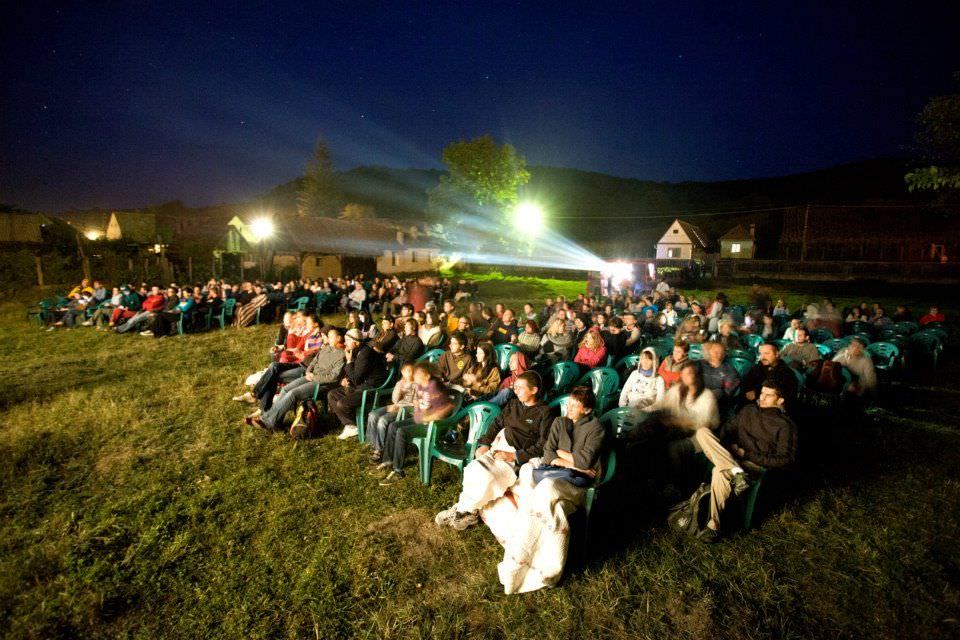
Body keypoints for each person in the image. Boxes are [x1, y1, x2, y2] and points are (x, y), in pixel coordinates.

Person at [483, 386, 606, 594]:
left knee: (545, 489)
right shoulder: (560, 422)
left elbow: (585, 461)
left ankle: (531, 565)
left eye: (575, 406)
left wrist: (569, 461)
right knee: (541, 491)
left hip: (578, 482)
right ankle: (529, 561)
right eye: (569, 403)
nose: (569, 408)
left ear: (586, 409)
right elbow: (548, 454)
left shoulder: (596, 428)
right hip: (561, 473)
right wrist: (572, 462)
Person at [433, 371, 552, 530]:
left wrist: (514, 456)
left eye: (520, 388)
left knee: (488, 479)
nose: (515, 391)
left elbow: (544, 444)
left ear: (534, 390)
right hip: (499, 448)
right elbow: (496, 424)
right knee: (474, 470)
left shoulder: (545, 412)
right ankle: (466, 512)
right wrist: (485, 444)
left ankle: (461, 510)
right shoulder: (513, 405)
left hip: (516, 456)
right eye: (515, 387)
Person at [692, 381, 797, 541]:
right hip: (731, 456)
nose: (762, 397)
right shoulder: (749, 410)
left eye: (768, 395)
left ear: (780, 400)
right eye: (762, 393)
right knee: (702, 432)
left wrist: (746, 454)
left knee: (719, 471)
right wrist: (727, 448)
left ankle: (714, 526)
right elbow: (726, 430)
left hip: (753, 463)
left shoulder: (785, 425)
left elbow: (785, 459)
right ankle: (736, 472)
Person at [247, 327, 346, 433]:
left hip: (323, 384)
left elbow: (333, 377)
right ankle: (276, 421)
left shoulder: (342, 355)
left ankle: (267, 421)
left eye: (331, 336)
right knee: (285, 390)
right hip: (310, 376)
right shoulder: (326, 348)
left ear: (339, 338)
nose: (328, 338)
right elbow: (313, 362)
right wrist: (308, 371)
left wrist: (314, 377)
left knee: (293, 394)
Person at [375, 363, 455, 485]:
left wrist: (429, 417)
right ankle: (388, 460)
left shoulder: (435, 387)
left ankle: (398, 470)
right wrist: (418, 407)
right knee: (393, 426)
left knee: (401, 432)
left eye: (418, 374)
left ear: (427, 376)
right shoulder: (421, 385)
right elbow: (419, 402)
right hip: (421, 419)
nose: (415, 376)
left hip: (432, 426)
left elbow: (449, 407)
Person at [328, 328, 389, 440]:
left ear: (356, 342)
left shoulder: (365, 353)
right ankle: (351, 425)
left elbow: (357, 378)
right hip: (360, 386)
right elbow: (355, 375)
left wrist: (349, 361)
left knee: (342, 404)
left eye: (347, 340)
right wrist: (345, 379)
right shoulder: (356, 351)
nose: (345, 343)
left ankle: (355, 425)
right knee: (332, 394)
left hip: (371, 389)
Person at [366, 362, 419, 463]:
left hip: (407, 409)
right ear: (403, 372)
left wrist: (400, 407)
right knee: (373, 415)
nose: (411, 373)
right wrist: (399, 388)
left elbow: (415, 404)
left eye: (412, 371)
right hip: (396, 406)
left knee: (383, 420)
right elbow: (394, 400)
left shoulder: (416, 384)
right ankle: (373, 444)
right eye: (408, 371)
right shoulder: (400, 383)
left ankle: (379, 450)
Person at [741, 341, 799, 411]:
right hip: (752, 409)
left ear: (777, 354)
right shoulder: (756, 368)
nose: (763, 357)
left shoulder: (788, 374)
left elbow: (789, 400)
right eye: (760, 354)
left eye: (767, 353)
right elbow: (746, 386)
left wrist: (757, 396)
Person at [698, 342, 740, 412]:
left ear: (724, 355)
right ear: (709, 352)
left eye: (721, 352)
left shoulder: (729, 370)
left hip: (715, 402)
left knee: (719, 392)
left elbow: (727, 393)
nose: (719, 355)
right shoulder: (699, 364)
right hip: (697, 393)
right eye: (716, 352)